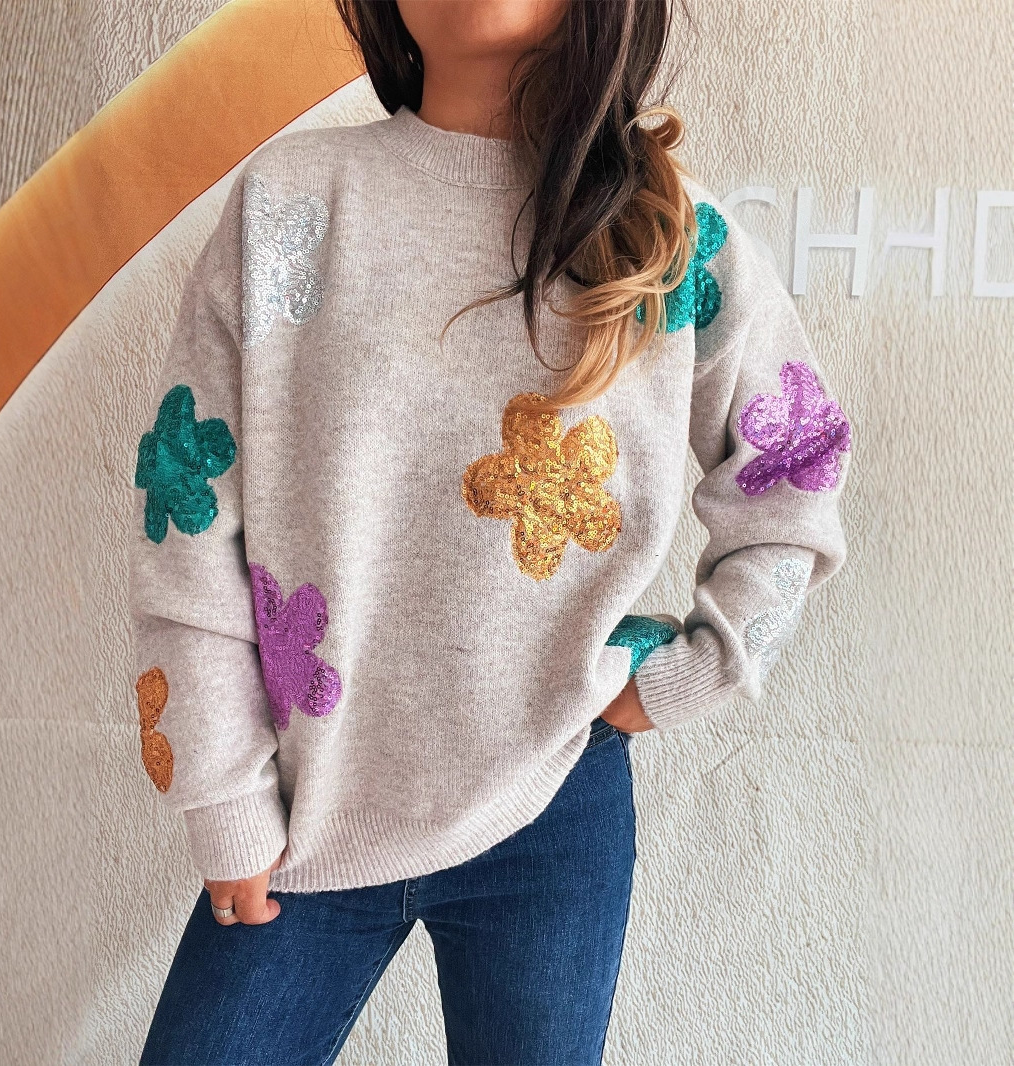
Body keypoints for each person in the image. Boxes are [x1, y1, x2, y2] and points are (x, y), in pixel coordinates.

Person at [131, 1, 852, 1063]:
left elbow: (797, 467)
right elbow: (186, 510)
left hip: (554, 802)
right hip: (303, 806)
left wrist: (699, 669)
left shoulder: (666, 233)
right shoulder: (290, 202)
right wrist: (223, 796)